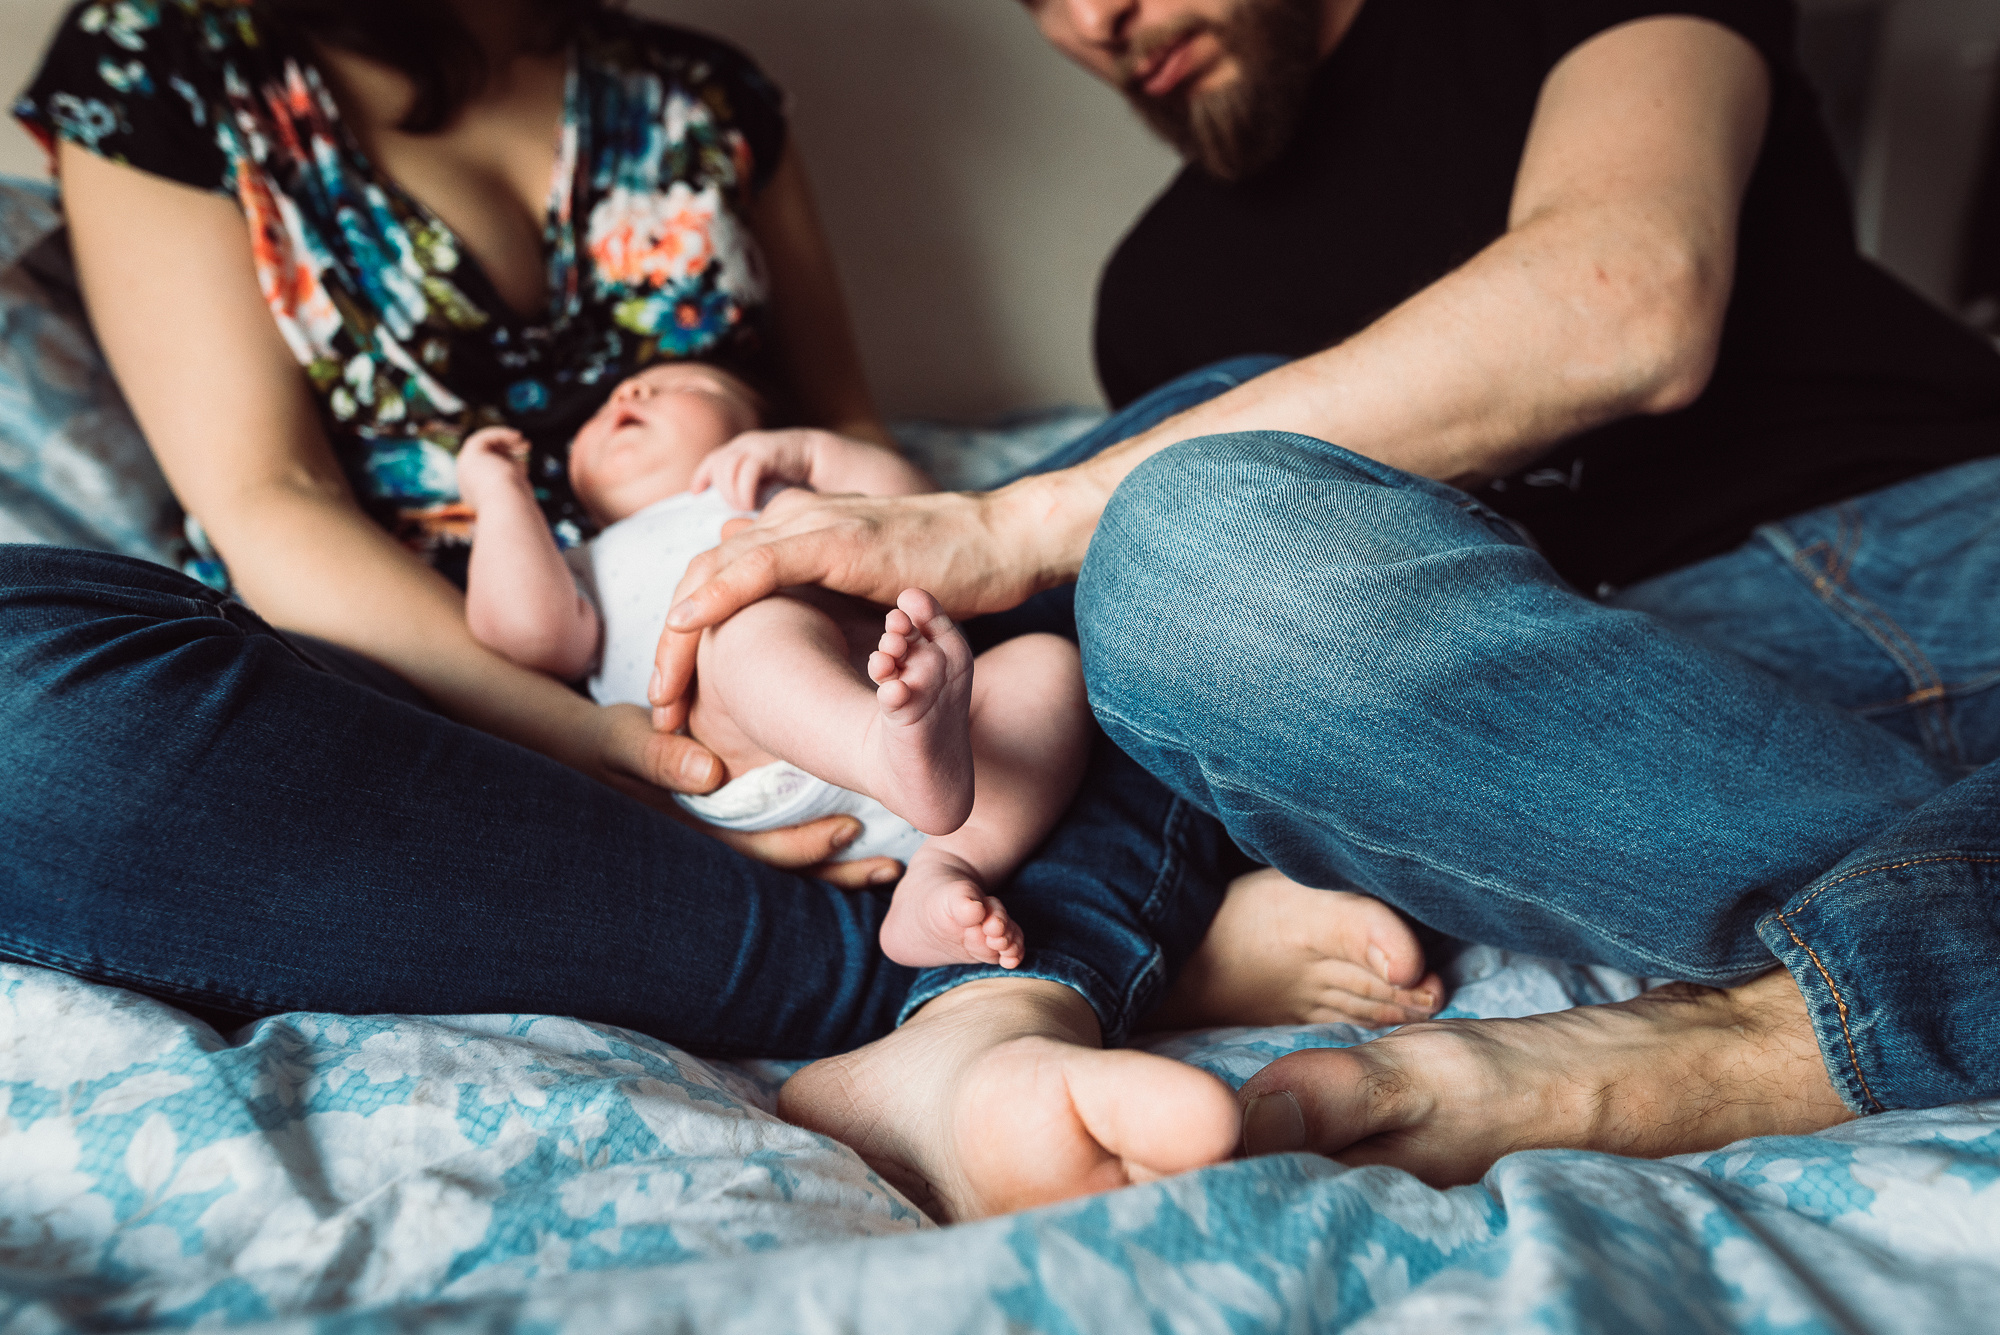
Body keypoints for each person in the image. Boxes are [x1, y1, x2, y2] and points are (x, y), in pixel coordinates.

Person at [8, 0, 1478, 1226]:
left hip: (835, 685)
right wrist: (601, 747)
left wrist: (899, 595)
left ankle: (982, 979)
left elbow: (871, 468)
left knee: (1235, 437)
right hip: (449, 733)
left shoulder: (705, 93)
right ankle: (1014, 961)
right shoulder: (165, 63)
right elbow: (273, 501)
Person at [655, 0, 2000, 1195]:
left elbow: (1631, 298)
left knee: (1112, 512)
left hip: (1943, 530)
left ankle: (1743, 1051)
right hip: (1606, 728)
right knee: (1184, 552)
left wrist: (1011, 519)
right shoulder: (1162, 292)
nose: (1092, 18)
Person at [456, 358, 1093, 969]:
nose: (629, 396)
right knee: (743, 612)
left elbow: (925, 522)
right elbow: (527, 635)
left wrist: (817, 455)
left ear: (754, 429)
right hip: (747, 754)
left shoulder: (789, 492)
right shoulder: (581, 563)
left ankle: (946, 874)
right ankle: (879, 750)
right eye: (604, 409)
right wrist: (501, 496)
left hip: (949, 771)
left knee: (1049, 665)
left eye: (681, 383)